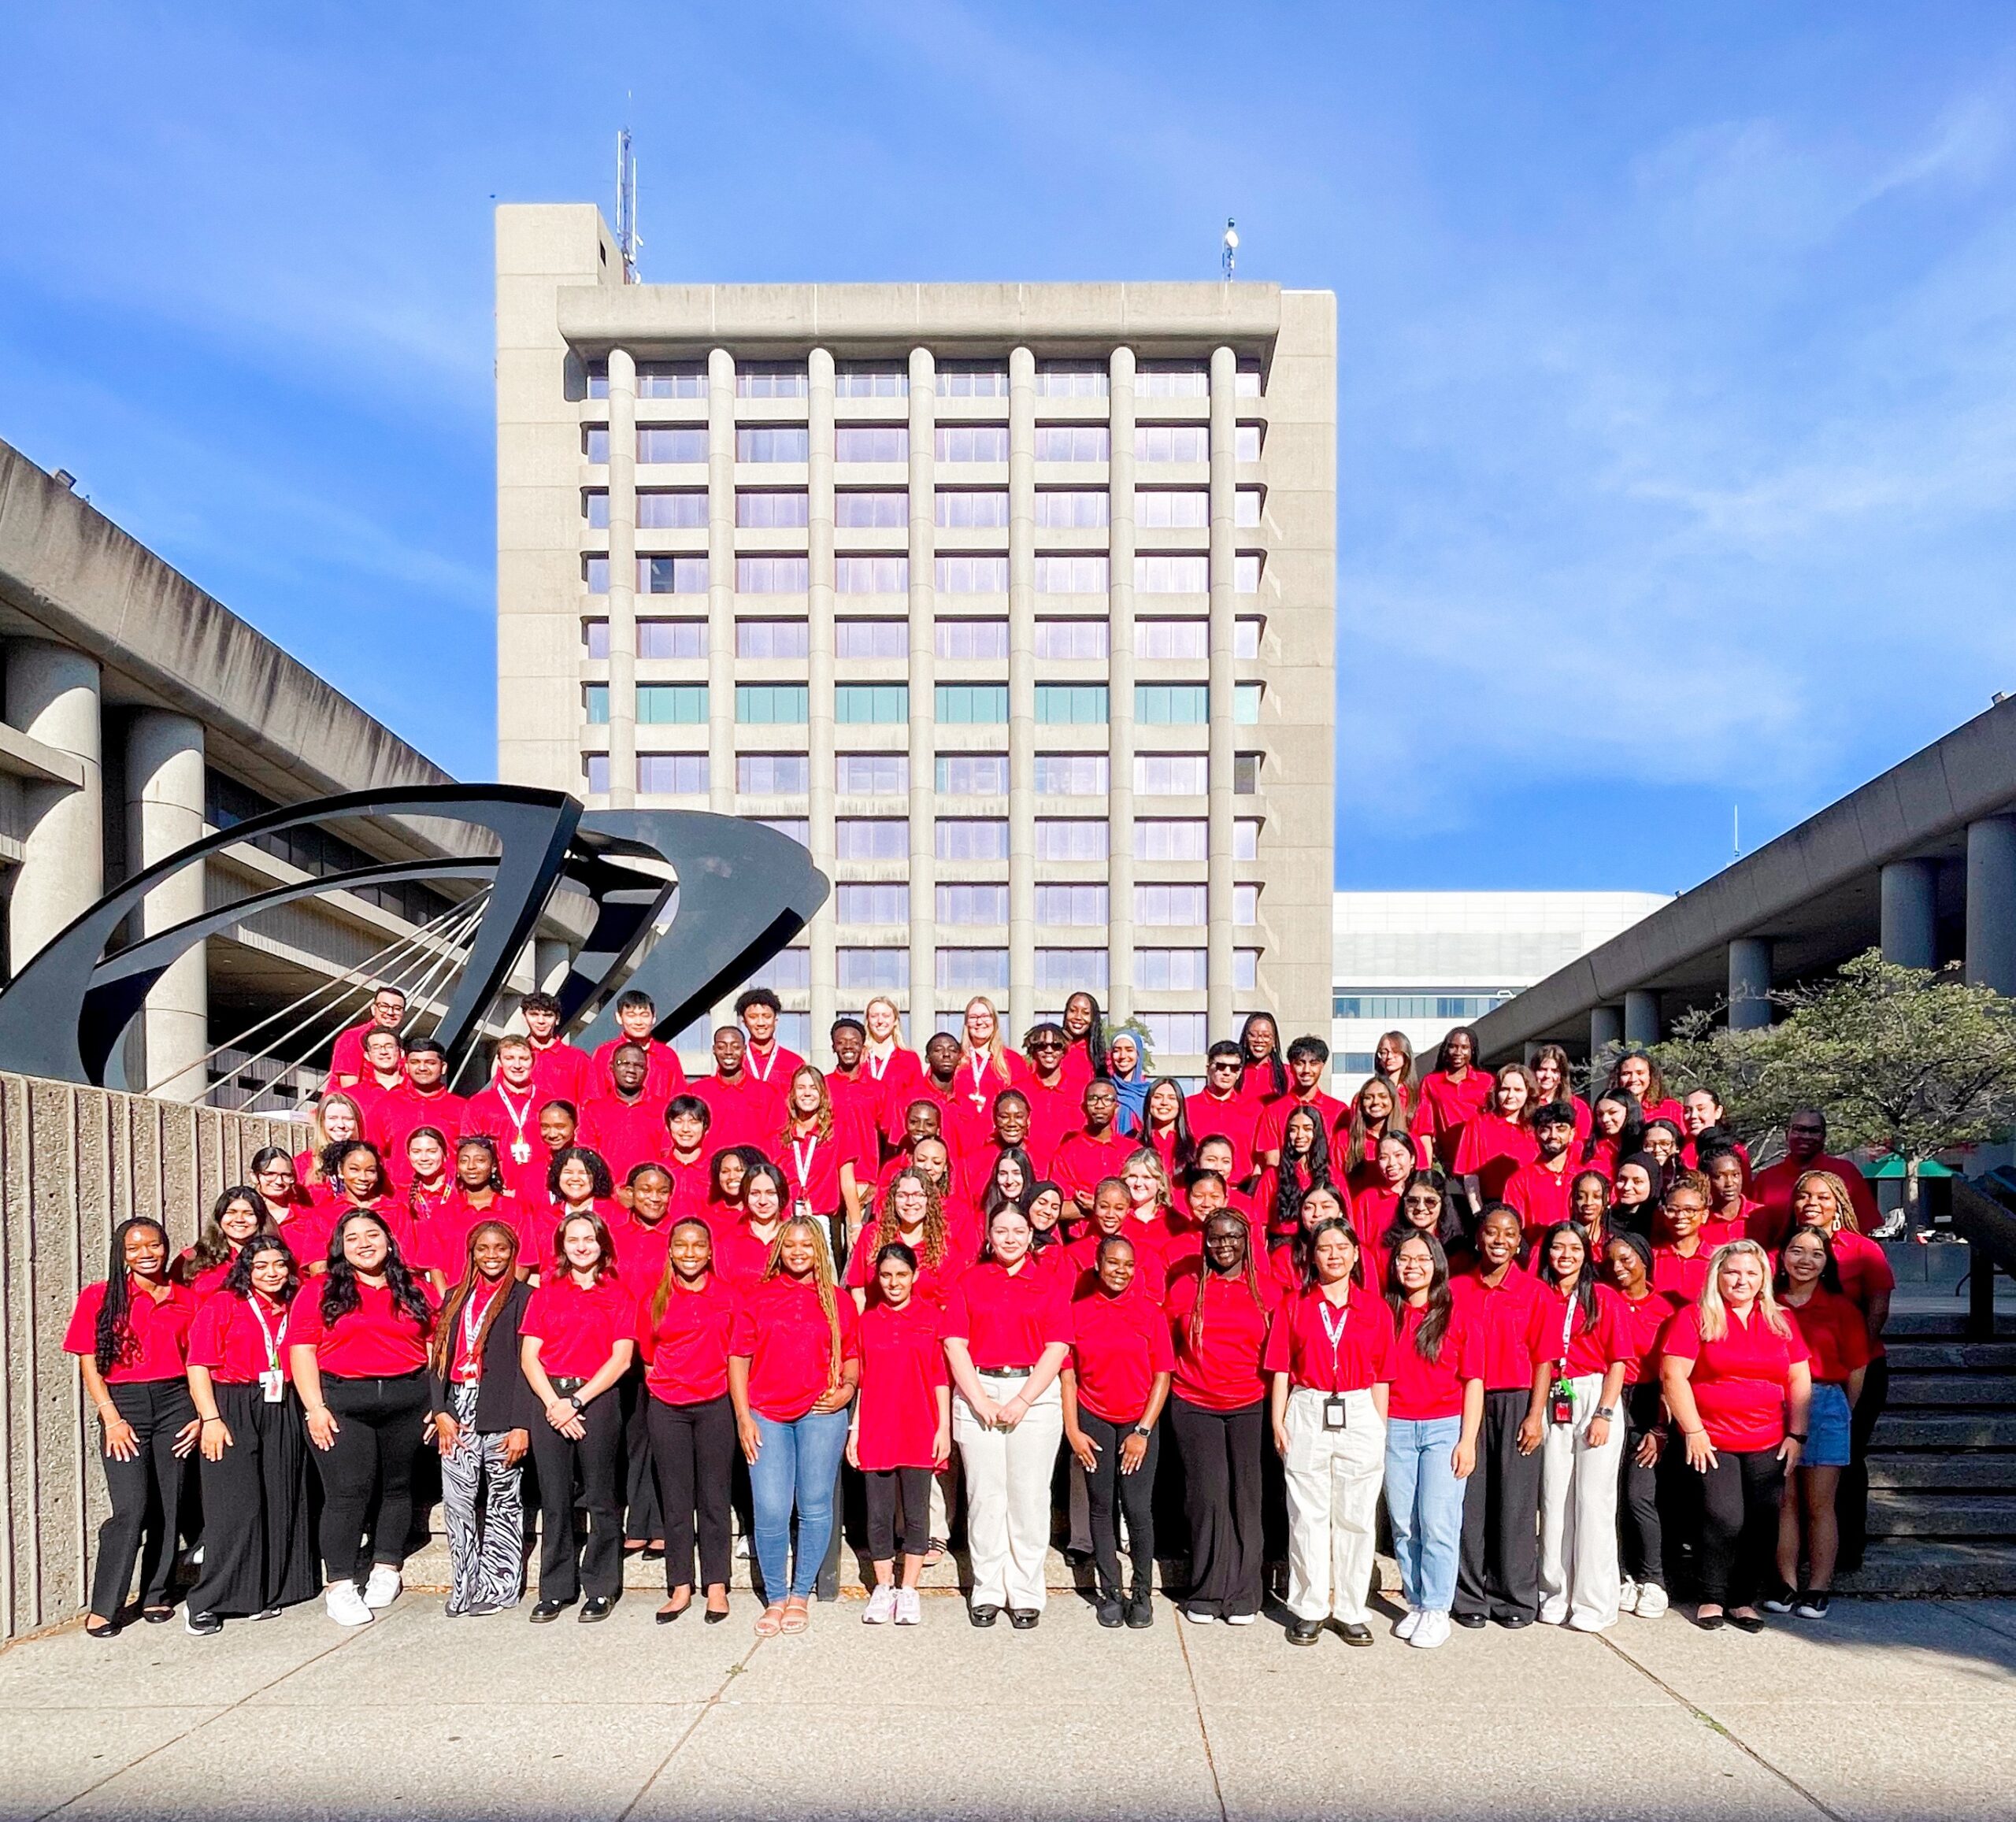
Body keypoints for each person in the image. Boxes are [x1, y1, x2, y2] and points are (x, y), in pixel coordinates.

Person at [288, 1209, 435, 1626]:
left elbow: (433, 1347)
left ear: (389, 1241)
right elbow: (302, 1349)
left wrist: (436, 1404)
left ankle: (386, 1564)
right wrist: (315, 1408)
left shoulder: (415, 1289)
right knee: (347, 1491)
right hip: (342, 1399)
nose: (364, 1243)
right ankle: (339, 1583)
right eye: (352, 1237)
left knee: (397, 1486)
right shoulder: (320, 1289)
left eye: (372, 1234)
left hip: (408, 1396)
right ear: (340, 1246)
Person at [1661, 1240, 1814, 1630]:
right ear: (1717, 1275)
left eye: (1751, 1272)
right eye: (1732, 1272)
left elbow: (1799, 1378)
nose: (1741, 1280)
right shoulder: (1695, 1317)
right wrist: (1692, 1429)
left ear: (1763, 1277)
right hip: (1712, 1439)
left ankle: (1742, 1599)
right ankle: (1711, 1595)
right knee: (1723, 1517)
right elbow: (1673, 1374)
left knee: (1763, 1521)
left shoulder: (1782, 1320)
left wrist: (1797, 1434)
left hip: (1769, 1438)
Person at [65, 1217, 199, 1635]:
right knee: (131, 1509)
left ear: (165, 1247)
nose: (147, 1254)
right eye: (135, 1247)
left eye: (155, 1245)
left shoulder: (185, 1298)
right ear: (121, 1254)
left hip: (176, 1402)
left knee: (171, 1504)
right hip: (124, 1406)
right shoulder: (99, 1297)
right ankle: (105, 1604)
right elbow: (88, 1360)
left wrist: (199, 1414)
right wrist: (111, 1417)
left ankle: (157, 1593)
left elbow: (197, 1361)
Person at [943, 1202, 1071, 1627]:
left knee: (1029, 1496)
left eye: (1019, 1230)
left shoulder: (1048, 1282)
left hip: (1032, 1392)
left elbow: (1058, 1347)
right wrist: (980, 1400)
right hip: (980, 1388)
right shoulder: (969, 1281)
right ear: (989, 1235)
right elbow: (954, 1344)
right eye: (1002, 1230)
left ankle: (1025, 1590)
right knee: (986, 1495)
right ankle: (989, 1587)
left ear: (1031, 1235)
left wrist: (1021, 1401)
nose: (1011, 1238)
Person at [180, 1234, 317, 1633]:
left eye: (279, 1265)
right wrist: (210, 1418)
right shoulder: (223, 1303)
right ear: (247, 1270)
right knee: (236, 1508)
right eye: (261, 1266)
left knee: (281, 1497)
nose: (272, 1273)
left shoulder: (296, 1303)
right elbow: (198, 1365)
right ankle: (206, 1601)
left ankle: (265, 1592)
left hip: (282, 1402)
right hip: (232, 1404)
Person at [1269, 1216, 1393, 1646]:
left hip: (1357, 1407)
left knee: (1357, 1517)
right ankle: (1309, 1606)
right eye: (1325, 1248)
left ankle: (1352, 1609)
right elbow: (1281, 1367)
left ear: (1356, 1254)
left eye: (1342, 1247)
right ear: (1313, 1256)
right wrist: (1277, 1419)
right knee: (1307, 1514)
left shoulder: (1375, 1309)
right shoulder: (1294, 1304)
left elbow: (1383, 1375)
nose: (1334, 1255)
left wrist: (1378, 1425)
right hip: (1308, 1405)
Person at [731, 1216, 858, 1635]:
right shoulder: (757, 1297)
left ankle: (801, 1594)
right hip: (767, 1412)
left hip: (820, 1412)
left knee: (815, 1505)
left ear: (819, 1249)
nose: (798, 1252)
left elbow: (853, 1355)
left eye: (807, 1245)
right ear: (779, 1250)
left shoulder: (836, 1300)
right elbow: (738, 1358)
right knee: (770, 1507)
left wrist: (848, 1388)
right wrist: (743, 1416)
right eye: (790, 1246)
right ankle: (776, 1596)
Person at [520, 1211, 636, 1621]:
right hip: (550, 1397)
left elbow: (621, 1359)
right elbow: (529, 1356)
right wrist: (555, 1402)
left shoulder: (619, 1293)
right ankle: (555, 1588)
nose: (582, 1246)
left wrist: (578, 1401)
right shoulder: (546, 1291)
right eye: (573, 1239)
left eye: (590, 1238)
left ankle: (601, 1587)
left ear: (603, 1244)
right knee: (554, 1501)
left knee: (602, 1498)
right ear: (562, 1246)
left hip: (596, 1399)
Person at [1166, 1211, 1277, 1624]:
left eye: (1232, 1237)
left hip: (1251, 1404)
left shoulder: (1268, 1290)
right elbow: (1167, 1346)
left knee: (1246, 1500)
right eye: (1214, 1238)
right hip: (1195, 1403)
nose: (1223, 1245)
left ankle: (1245, 1595)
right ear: (1204, 1241)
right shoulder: (1184, 1288)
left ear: (1246, 1241)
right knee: (1208, 1498)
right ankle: (1208, 1592)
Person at [1062, 1233, 1173, 1628]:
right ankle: (1110, 1591)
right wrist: (1073, 1430)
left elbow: (1162, 1376)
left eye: (1128, 1265)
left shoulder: (1150, 1313)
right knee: (1100, 1506)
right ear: (1098, 1264)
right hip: (1094, 1419)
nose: (1121, 1271)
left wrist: (1142, 1432)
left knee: (1138, 1508)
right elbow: (1069, 1376)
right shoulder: (1078, 1311)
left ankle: (1141, 1592)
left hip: (1137, 1421)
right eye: (1113, 1263)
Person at [1526, 1221, 1631, 1631]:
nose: (1565, 1255)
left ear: (1587, 1253)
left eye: (1574, 1247)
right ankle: (1554, 1592)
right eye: (1557, 1247)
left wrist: (1604, 1412)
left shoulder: (1602, 1297)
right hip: (1554, 1396)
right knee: (1554, 1499)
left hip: (1593, 1394)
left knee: (1593, 1502)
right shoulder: (1540, 1295)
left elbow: (1619, 1361)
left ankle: (1594, 1601)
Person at [1382, 1231, 1483, 1650]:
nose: (1413, 1266)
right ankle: (1418, 1601)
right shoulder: (1385, 1313)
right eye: (1405, 1258)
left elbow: (1474, 1380)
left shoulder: (1457, 1314)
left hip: (1443, 1427)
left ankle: (1439, 1607)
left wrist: (1468, 1440)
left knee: (1438, 1521)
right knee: (1404, 1524)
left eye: (1422, 1259)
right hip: (1395, 1428)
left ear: (1437, 1264)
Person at [428, 1220, 535, 1617]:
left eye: (501, 1249)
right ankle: (463, 1584)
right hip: (457, 1409)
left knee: (503, 1503)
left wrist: (522, 1422)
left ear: (513, 1252)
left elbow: (528, 1365)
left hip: (502, 1410)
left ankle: (500, 1586)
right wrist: (440, 1410)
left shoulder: (525, 1298)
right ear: (471, 1253)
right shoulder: (455, 1297)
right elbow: (437, 1359)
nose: (492, 1256)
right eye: (483, 1249)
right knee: (458, 1502)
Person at [1450, 1205, 1547, 1628]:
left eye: (1509, 1233)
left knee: (1517, 1504)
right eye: (1491, 1232)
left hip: (1515, 1400)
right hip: (1465, 1401)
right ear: (1478, 1235)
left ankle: (1514, 1598)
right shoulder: (1454, 1288)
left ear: (1518, 1239)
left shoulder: (1534, 1292)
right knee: (1469, 1502)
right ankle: (1470, 1596)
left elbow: (1544, 1357)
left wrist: (1535, 1414)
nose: (1499, 1241)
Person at [1791, 1168, 1892, 1575]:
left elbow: (1878, 1307)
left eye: (1822, 1197)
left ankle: (1847, 1549)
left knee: (1845, 1460)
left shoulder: (1862, 1249)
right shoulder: (1785, 1248)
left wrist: (1852, 1358)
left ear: (1840, 1204)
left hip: (1855, 1369)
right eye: (1804, 1196)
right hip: (1794, 1374)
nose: (1812, 1203)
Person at [638, 1217, 739, 1624]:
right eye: (682, 1245)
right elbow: (647, 1358)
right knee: (676, 1501)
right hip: (667, 1407)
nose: (691, 1253)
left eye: (699, 1245)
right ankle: (681, 1585)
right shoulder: (654, 1298)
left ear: (710, 1251)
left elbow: (738, 1355)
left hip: (715, 1405)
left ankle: (716, 1584)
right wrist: (668, 1391)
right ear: (671, 1251)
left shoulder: (729, 1297)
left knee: (714, 1499)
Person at [850, 1242, 951, 1626]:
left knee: (916, 1513)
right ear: (877, 1278)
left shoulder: (932, 1318)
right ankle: (883, 1588)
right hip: (877, 1426)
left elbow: (940, 1377)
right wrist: (854, 1431)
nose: (894, 1282)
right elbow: (861, 1382)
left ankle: (909, 1590)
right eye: (886, 1275)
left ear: (915, 1276)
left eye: (901, 1275)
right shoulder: (867, 1322)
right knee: (878, 1514)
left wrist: (943, 1427)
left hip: (919, 1425)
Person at [1606, 1230, 1681, 1619]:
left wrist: (1661, 1427)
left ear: (1644, 1260)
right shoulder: (1604, 1301)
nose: (1619, 1268)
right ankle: (1618, 1575)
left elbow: (1672, 1373)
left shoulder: (1666, 1308)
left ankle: (1653, 1579)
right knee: (1610, 1496)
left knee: (1639, 1496)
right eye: (1612, 1261)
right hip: (1611, 1399)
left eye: (1627, 1260)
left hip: (1651, 1402)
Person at [1749, 1109, 1879, 1246]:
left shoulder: (1846, 1173)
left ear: (1824, 1136)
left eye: (1814, 1131)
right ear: (1787, 1134)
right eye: (1799, 1129)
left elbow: (1866, 1230)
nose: (1806, 1136)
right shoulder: (1765, 1180)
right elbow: (1756, 1237)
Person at [777, 1065, 860, 1254]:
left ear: (822, 1094)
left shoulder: (837, 1130)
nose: (807, 1093)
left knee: (825, 1279)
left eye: (813, 1088)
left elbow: (847, 1181)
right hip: (786, 1220)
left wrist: (856, 1226)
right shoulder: (781, 1135)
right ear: (792, 1094)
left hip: (821, 1219)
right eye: (801, 1088)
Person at [580, 1041, 665, 1183]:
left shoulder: (662, 1109)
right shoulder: (594, 1110)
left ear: (647, 1071)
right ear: (611, 1067)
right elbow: (588, 1157)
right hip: (607, 1193)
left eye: (639, 1066)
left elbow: (667, 1156)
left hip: (649, 1194)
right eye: (624, 1063)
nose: (631, 1070)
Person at [1452, 1065, 1538, 1204]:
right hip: (1491, 1204)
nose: (1510, 1096)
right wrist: (1478, 1214)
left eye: (1518, 1090)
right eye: (1505, 1089)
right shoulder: (1479, 1124)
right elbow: (1470, 1175)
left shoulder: (1536, 1128)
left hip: (1529, 1205)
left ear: (1528, 1093)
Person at [1052, 1078, 1134, 1223]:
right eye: (1093, 1099)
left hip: (1126, 1238)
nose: (1099, 1105)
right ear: (1084, 1107)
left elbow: (1143, 1203)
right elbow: (1058, 1208)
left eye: (1107, 1099)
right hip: (1082, 1239)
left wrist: (1095, 1207)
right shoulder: (1068, 1152)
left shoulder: (1133, 1151)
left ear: (1117, 1107)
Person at [1184, 1044, 1265, 1187]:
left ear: (1239, 1072)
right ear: (1208, 1068)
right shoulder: (1187, 1106)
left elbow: (1261, 1156)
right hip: (1199, 1188)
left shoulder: (1255, 1109)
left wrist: (1253, 1188)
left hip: (1241, 1189)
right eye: (1221, 1066)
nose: (1227, 1072)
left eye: (1234, 1068)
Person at [1502, 1103, 1583, 1240]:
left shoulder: (1584, 1177)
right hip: (1535, 1257)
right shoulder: (1519, 1181)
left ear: (1572, 1134)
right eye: (1545, 1129)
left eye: (1561, 1129)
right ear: (1536, 1134)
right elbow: (1513, 1229)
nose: (1553, 1135)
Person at [175, 1187, 276, 1296]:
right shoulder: (192, 1257)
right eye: (231, 1212)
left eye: (248, 1213)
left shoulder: (275, 1256)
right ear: (219, 1217)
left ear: (260, 1219)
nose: (239, 1220)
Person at [592, 988, 687, 1102]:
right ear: (619, 1017)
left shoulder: (667, 1056)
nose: (638, 1022)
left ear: (654, 1018)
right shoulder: (605, 1053)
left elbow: (679, 1100)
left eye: (644, 1015)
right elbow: (594, 1097)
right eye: (631, 1015)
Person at [1418, 1027, 1491, 1168]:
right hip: (1447, 1161)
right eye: (1453, 1047)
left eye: (1464, 1047)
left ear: (1473, 1051)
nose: (1458, 1052)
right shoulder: (1431, 1082)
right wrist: (1425, 1170)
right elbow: (1424, 1129)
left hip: (1481, 1158)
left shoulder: (1487, 1081)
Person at [331, 984, 409, 1084]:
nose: (390, 1012)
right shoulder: (354, 1037)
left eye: (397, 1008)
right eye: (384, 1006)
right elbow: (349, 1088)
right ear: (373, 1009)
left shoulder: (398, 1042)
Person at [736, 986, 805, 1094]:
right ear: (744, 1022)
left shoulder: (794, 1063)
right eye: (753, 1017)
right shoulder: (735, 1061)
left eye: (766, 1016)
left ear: (775, 1020)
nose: (761, 1023)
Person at [1606, 1051, 1686, 1134]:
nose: (1633, 1079)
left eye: (1640, 1073)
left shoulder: (1671, 1109)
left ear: (1650, 1076)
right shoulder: (1607, 1111)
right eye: (1626, 1074)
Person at [1528, 1044, 1591, 1141]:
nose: (1548, 1075)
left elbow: (1582, 1141)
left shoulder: (1577, 1106)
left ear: (1562, 1076)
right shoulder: (1524, 1103)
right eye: (1542, 1069)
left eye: (1554, 1071)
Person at [1236, 1011, 1289, 1104]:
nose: (1259, 1040)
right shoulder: (1235, 1072)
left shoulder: (1288, 1073)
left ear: (1274, 1041)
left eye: (1266, 1036)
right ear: (1245, 1039)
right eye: (1253, 1035)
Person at [1058, 991, 1108, 1088]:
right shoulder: (1052, 1048)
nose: (1078, 1017)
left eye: (1085, 1013)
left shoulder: (1099, 1054)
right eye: (1073, 1011)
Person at [1105, 1029, 1151, 1130]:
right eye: (1117, 1051)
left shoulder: (1151, 1093)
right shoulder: (1106, 1090)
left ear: (1138, 1054)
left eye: (1129, 1050)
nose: (1123, 1056)